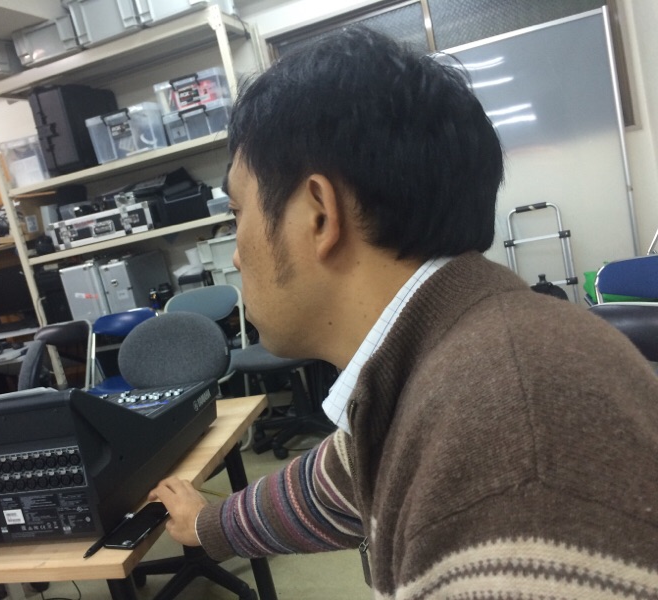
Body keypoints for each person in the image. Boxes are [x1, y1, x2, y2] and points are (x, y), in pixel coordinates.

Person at [150, 27, 658, 598]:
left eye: (237, 212)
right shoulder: (441, 364)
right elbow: (335, 488)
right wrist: (208, 524)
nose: (236, 255)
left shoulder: (506, 445)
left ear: (319, 215)